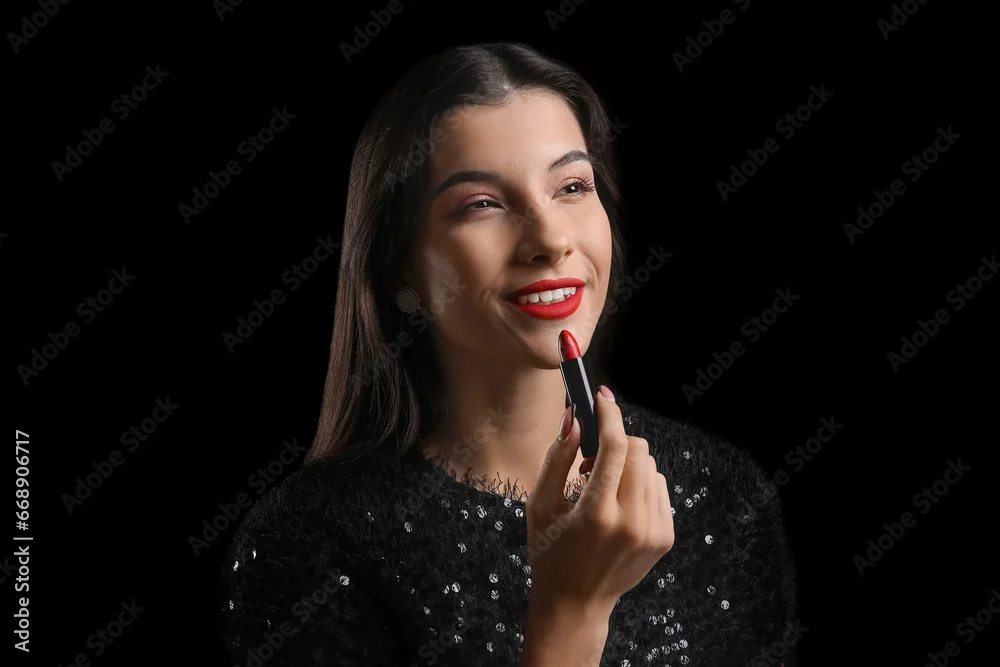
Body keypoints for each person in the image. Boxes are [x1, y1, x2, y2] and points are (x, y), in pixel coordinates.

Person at [223, 42, 800, 667]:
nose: (549, 239)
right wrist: (570, 611)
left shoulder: (721, 492)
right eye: (482, 204)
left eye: (571, 187)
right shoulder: (311, 539)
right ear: (400, 273)